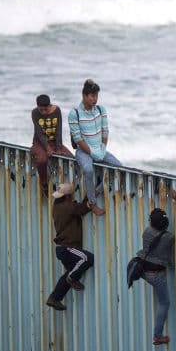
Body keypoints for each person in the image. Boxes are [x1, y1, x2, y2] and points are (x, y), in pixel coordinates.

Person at [67, 79, 122, 216]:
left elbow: (105, 131)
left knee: (119, 168)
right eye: (92, 96)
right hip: (83, 151)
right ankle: (92, 203)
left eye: (96, 96)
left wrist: (102, 148)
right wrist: (92, 152)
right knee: (88, 170)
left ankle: (96, 191)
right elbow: (78, 139)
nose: (95, 99)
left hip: (99, 149)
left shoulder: (100, 109)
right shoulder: (75, 113)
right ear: (84, 96)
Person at [46, 182, 93, 311]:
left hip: (62, 249)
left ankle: (55, 298)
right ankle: (72, 278)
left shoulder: (57, 207)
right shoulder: (68, 207)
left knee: (70, 272)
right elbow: (83, 208)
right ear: (68, 196)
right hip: (68, 248)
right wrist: (92, 192)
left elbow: (78, 208)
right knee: (87, 258)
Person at [137, 208, 175, 346]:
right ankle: (157, 336)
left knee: (161, 299)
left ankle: (157, 335)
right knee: (164, 303)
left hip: (143, 271)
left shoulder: (146, 231)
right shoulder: (169, 237)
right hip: (156, 275)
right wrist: (172, 267)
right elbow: (170, 259)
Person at [31, 94, 73, 195]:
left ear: (49, 106)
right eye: (41, 110)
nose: (44, 112)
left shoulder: (56, 110)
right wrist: (47, 148)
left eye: (46, 109)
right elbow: (39, 133)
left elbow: (59, 130)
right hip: (39, 143)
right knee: (42, 160)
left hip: (54, 142)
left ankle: (66, 188)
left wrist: (58, 148)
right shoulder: (35, 113)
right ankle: (44, 184)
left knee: (71, 159)